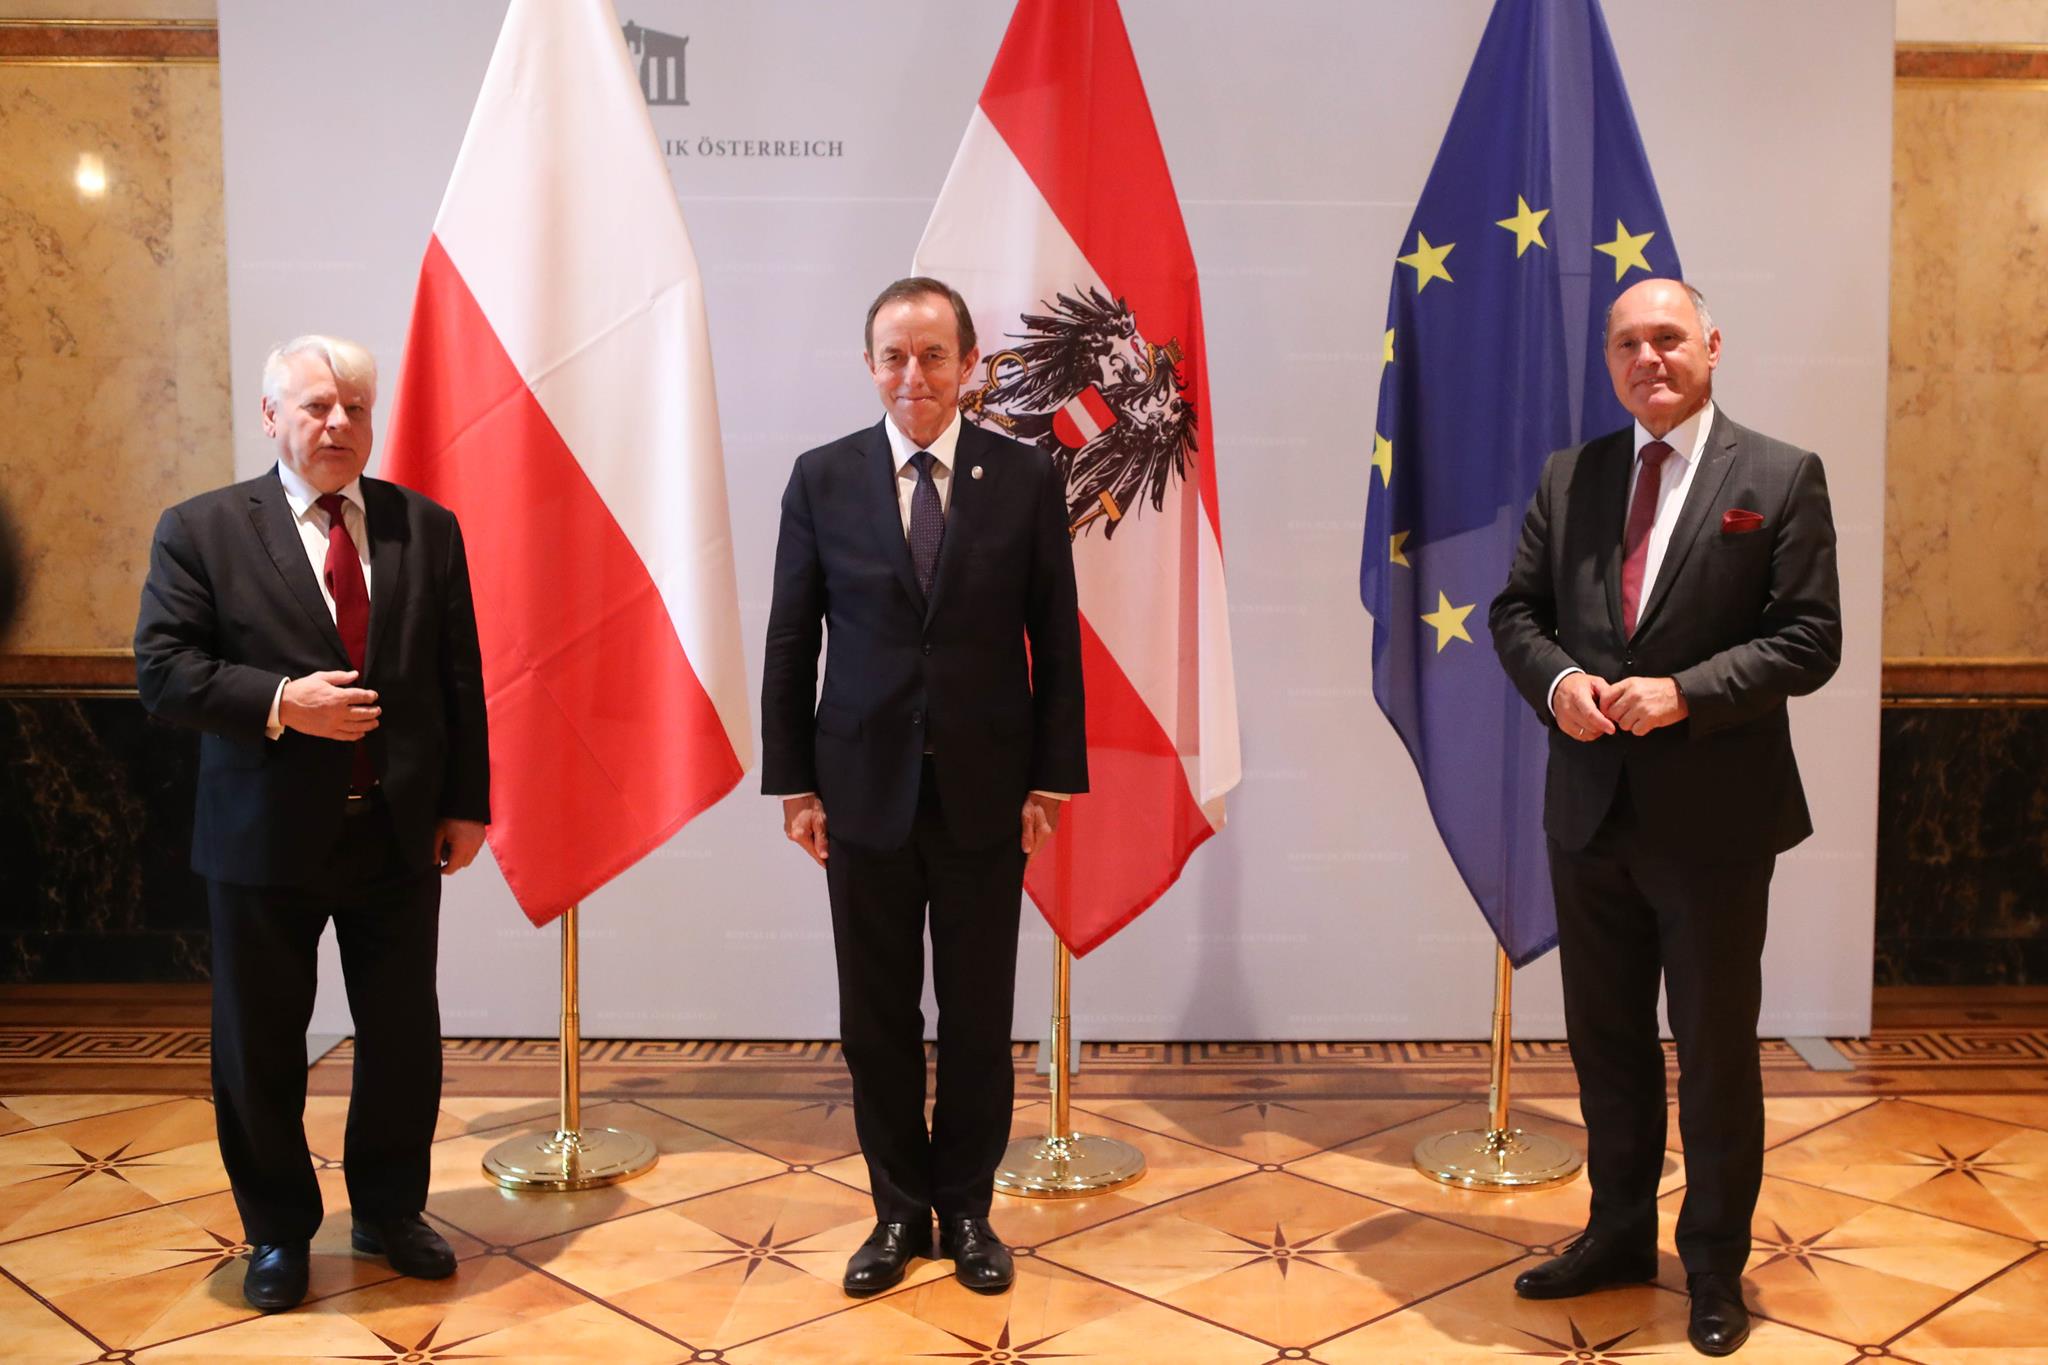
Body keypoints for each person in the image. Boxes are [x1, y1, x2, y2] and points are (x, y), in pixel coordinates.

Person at [1490, 279, 1841, 1357]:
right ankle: (1615, 1235)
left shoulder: (1778, 475)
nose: (1648, 357)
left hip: (1715, 822)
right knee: (1606, 1046)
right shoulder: (1572, 476)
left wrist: (1685, 691)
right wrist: (1559, 684)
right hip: (1588, 812)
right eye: (1627, 343)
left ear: (1711, 346)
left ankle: (1714, 1266)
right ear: (1608, 360)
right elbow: (1516, 612)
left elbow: (1809, 639)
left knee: (1715, 1053)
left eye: (1668, 337)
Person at [134, 335, 490, 1313]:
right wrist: (283, 701)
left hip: (396, 832)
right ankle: (278, 1232)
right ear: (270, 416)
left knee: (402, 1038)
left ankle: (389, 1211)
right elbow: (162, 670)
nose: (338, 424)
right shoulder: (201, 529)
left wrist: (466, 803)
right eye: (317, 407)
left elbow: (458, 675)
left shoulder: (426, 528)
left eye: (356, 409)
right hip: (262, 839)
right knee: (259, 1045)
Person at [761, 277, 1087, 1297]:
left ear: (967, 365)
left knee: (979, 1020)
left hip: (989, 794)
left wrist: (1051, 779)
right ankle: (898, 1212)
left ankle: (969, 1212)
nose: (915, 375)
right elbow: (790, 639)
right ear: (869, 366)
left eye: (934, 354)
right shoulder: (821, 478)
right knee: (877, 1022)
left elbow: (1055, 637)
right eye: (895, 356)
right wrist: (794, 784)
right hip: (859, 795)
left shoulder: (1023, 476)